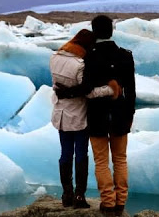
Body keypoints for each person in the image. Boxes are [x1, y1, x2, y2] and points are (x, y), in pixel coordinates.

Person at [50, 29, 121, 209]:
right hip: (79, 115)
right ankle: (79, 197)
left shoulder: (54, 58)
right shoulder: (80, 64)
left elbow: (57, 86)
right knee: (81, 154)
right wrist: (110, 89)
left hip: (61, 114)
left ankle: (66, 195)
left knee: (65, 153)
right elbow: (88, 92)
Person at [84, 15, 136, 216]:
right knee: (120, 159)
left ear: (94, 32)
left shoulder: (89, 56)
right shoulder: (125, 55)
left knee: (101, 161)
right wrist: (130, 113)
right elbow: (131, 89)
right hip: (121, 113)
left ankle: (108, 202)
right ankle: (121, 201)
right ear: (112, 30)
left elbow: (87, 88)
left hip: (97, 114)